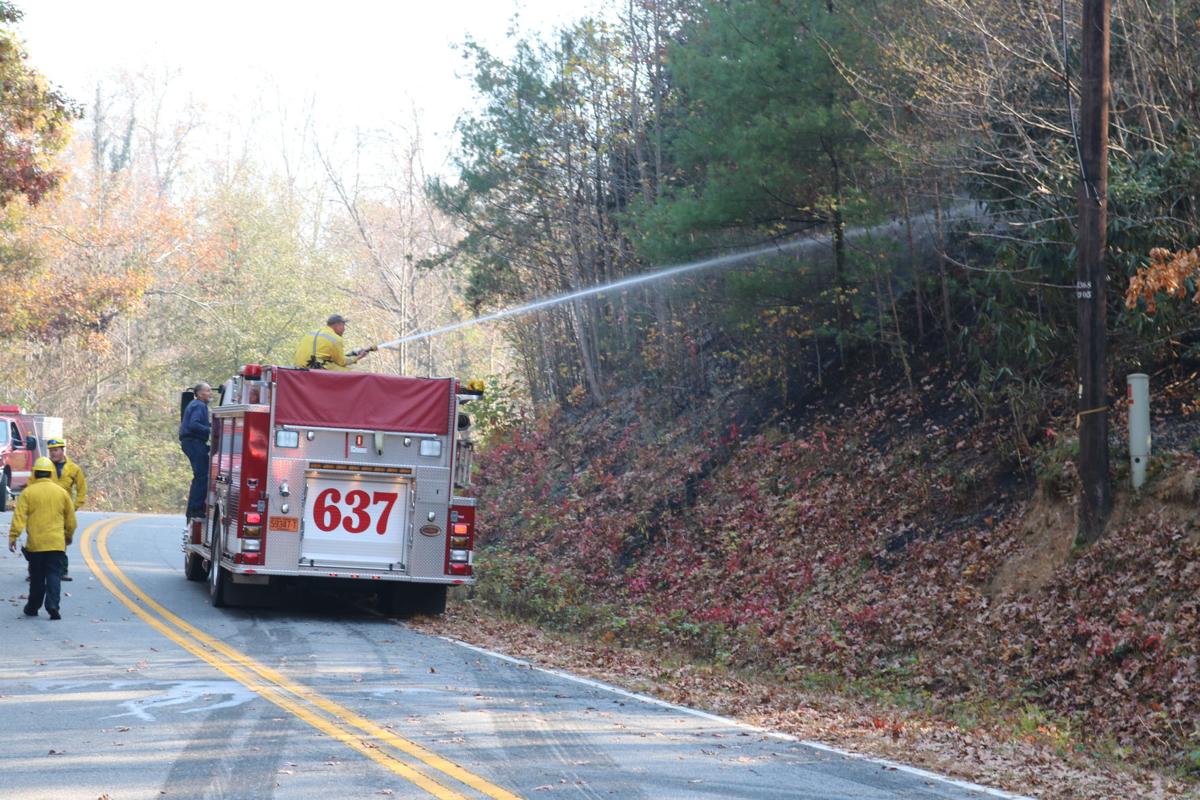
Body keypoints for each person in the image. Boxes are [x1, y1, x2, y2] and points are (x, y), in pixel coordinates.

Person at [9, 456, 76, 620]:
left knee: (37, 577)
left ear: (35, 473)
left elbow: (19, 517)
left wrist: (13, 536)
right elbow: (71, 520)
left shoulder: (28, 493)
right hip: (56, 544)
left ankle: (32, 607)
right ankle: (52, 605)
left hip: (36, 545)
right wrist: (68, 536)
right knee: (54, 575)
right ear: (51, 473)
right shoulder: (62, 493)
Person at [45, 438, 85, 581]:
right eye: (51, 451)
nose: (53, 453)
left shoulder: (74, 469)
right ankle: (35, 571)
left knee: (60, 541)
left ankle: (62, 570)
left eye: (55, 450)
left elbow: (81, 490)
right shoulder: (44, 467)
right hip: (44, 509)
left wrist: (73, 507)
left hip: (63, 511)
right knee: (40, 539)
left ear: (63, 450)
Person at [291, 313, 376, 371]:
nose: (344, 329)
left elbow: (326, 356)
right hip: (316, 368)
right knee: (352, 373)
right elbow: (341, 362)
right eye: (343, 326)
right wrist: (358, 357)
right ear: (337, 325)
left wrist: (352, 354)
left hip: (300, 367)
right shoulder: (335, 338)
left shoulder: (313, 332)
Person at [179, 382, 212, 521]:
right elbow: (194, 424)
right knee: (202, 476)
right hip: (194, 442)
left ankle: (193, 509)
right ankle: (195, 510)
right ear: (199, 393)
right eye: (208, 391)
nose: (210, 393)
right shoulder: (199, 405)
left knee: (200, 475)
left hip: (191, 442)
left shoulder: (194, 405)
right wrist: (210, 430)